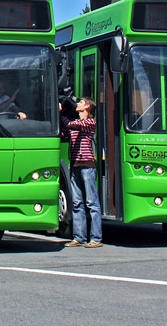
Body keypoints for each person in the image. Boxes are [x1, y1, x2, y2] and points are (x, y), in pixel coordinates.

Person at [60, 97, 103, 248]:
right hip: (75, 165)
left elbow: (70, 125)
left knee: (91, 202)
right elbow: (65, 131)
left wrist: (60, 113)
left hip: (87, 165)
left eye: (81, 103)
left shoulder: (89, 123)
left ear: (87, 108)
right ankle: (79, 237)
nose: (77, 104)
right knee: (77, 202)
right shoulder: (76, 124)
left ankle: (96, 237)